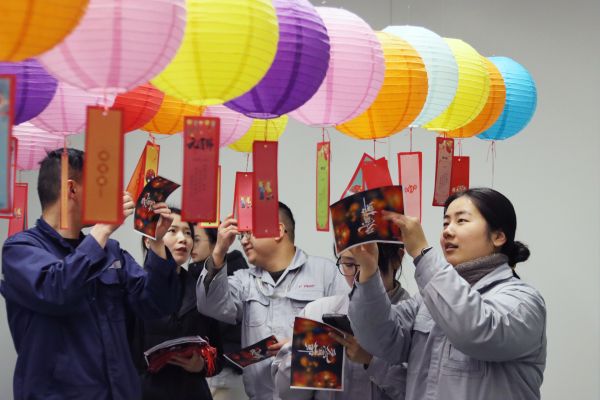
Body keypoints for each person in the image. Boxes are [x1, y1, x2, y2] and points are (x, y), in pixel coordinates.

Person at [0, 148, 181, 400]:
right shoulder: (20, 249)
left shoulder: (111, 251)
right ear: (71, 189)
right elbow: (57, 290)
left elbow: (156, 305)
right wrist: (103, 229)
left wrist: (157, 241)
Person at [347, 188, 547, 400]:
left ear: (498, 236)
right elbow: (380, 340)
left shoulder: (523, 301)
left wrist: (422, 253)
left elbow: (476, 331)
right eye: (445, 223)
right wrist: (369, 270)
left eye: (461, 221)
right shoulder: (428, 299)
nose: (447, 232)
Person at [196, 202, 348, 400]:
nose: (244, 240)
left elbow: (348, 331)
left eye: (250, 233)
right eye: (242, 235)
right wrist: (219, 252)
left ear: (278, 230)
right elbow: (209, 305)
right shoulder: (244, 280)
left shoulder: (325, 273)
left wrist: (301, 346)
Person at [272, 243, 410, 399]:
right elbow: (286, 393)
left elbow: (421, 390)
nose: (359, 275)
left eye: (370, 263)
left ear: (397, 259)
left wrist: (371, 361)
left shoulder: (416, 320)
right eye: (349, 265)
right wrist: (304, 357)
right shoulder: (317, 312)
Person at [132, 208, 223, 400]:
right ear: (149, 240)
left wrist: (202, 365)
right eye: (172, 231)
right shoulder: (133, 287)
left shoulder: (202, 289)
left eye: (188, 233)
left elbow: (219, 354)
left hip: (193, 392)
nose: (183, 239)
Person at [190, 226, 249, 400]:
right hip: (208, 370)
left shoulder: (234, 274)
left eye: (196, 240)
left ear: (216, 242)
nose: (191, 245)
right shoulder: (193, 273)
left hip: (227, 370)